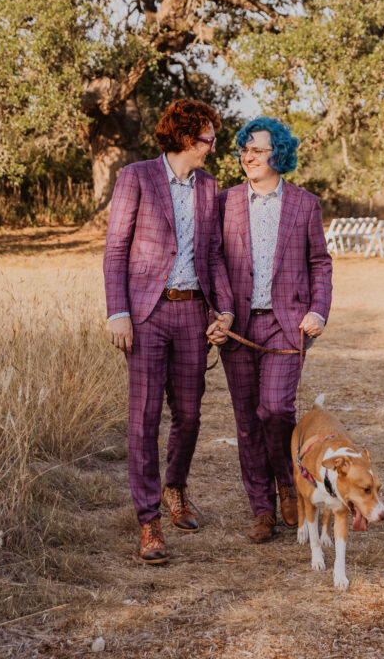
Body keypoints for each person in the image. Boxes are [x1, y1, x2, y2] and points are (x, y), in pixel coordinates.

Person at [104, 99, 234, 565]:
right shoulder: (136, 176)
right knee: (143, 419)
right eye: (207, 139)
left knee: (190, 414)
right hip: (145, 315)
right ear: (184, 137)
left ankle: (175, 489)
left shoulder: (210, 187)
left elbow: (214, 254)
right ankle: (148, 519)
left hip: (193, 313)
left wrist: (225, 310)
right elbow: (116, 249)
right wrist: (117, 311)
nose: (212, 147)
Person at [207, 117, 333, 542]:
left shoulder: (304, 204)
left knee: (275, 410)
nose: (248, 157)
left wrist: (319, 310)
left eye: (258, 150)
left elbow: (320, 262)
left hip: (286, 325)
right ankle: (262, 508)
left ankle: (287, 482)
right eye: (244, 150)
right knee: (246, 420)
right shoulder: (224, 203)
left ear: (278, 153)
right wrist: (221, 312)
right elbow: (214, 262)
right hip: (238, 326)